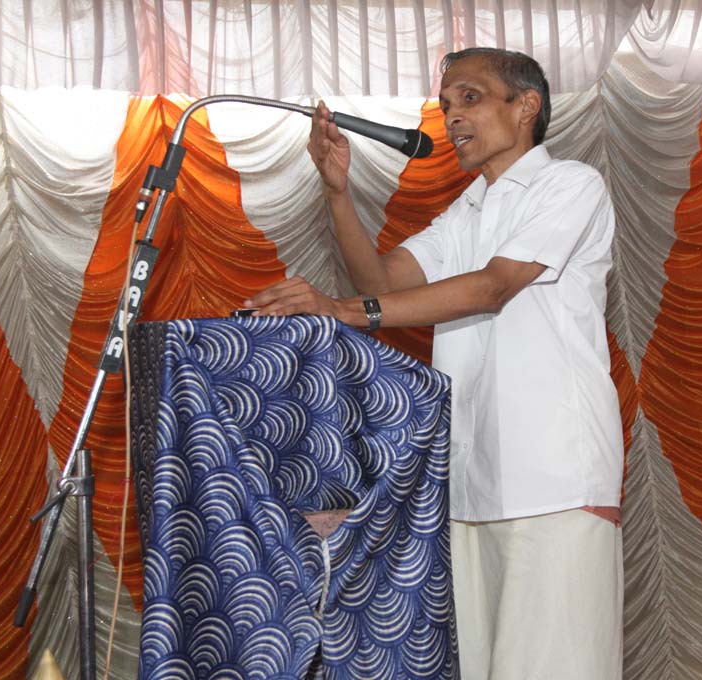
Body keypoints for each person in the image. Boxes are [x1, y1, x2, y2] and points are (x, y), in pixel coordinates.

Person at [244, 47, 624, 680]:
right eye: (446, 106)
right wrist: (337, 193)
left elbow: (492, 287)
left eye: (470, 98)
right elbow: (380, 282)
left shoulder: (570, 184)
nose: (452, 118)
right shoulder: (467, 209)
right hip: (471, 485)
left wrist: (340, 310)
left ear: (526, 106)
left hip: (554, 480)